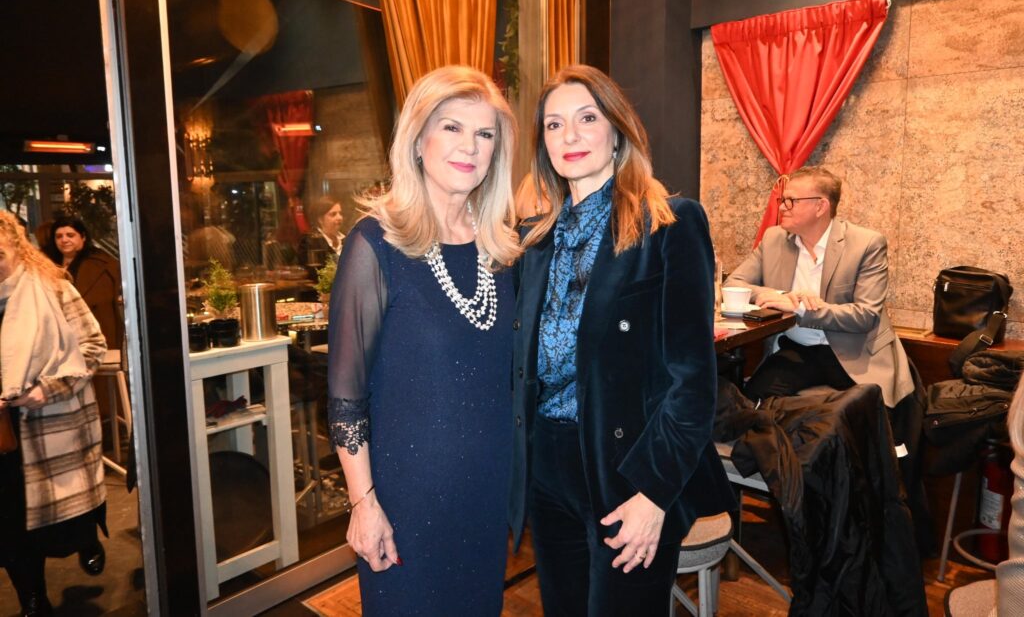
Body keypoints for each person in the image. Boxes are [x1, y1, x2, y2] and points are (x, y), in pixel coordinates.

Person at [510, 65, 735, 615]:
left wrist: (654, 494)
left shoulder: (669, 224)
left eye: (587, 118)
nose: (570, 135)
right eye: (554, 124)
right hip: (548, 467)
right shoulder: (533, 242)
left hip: (627, 470)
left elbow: (692, 385)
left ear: (617, 131)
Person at [326, 65, 520, 615]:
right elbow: (346, 398)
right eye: (452, 127)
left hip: (485, 494)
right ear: (417, 140)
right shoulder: (374, 244)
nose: (470, 146)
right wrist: (363, 504)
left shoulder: (502, 250)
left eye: (484, 134)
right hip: (405, 502)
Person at [724, 166, 914, 408]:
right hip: (797, 349)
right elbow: (733, 284)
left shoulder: (866, 244)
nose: (782, 207)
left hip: (854, 352)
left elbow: (865, 316)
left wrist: (801, 309)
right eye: (783, 200)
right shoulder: (774, 239)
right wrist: (781, 296)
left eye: (791, 201)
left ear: (820, 206)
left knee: (862, 414)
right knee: (753, 404)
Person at [0, 211, 108, 616]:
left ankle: (86, 538)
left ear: (17, 247)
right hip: (4, 432)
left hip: (51, 420)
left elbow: (93, 347)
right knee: (11, 523)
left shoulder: (53, 289)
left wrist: (48, 389)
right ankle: (33, 599)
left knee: (62, 518)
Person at [43, 217, 123, 351]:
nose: (64, 240)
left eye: (70, 235)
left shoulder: (102, 264)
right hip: (59, 337)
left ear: (83, 237)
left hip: (94, 334)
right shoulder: (46, 265)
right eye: (59, 236)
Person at [298, 195, 345, 277]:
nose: (339, 217)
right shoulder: (309, 242)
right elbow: (314, 274)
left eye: (340, 213)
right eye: (333, 214)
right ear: (320, 219)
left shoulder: (348, 239)